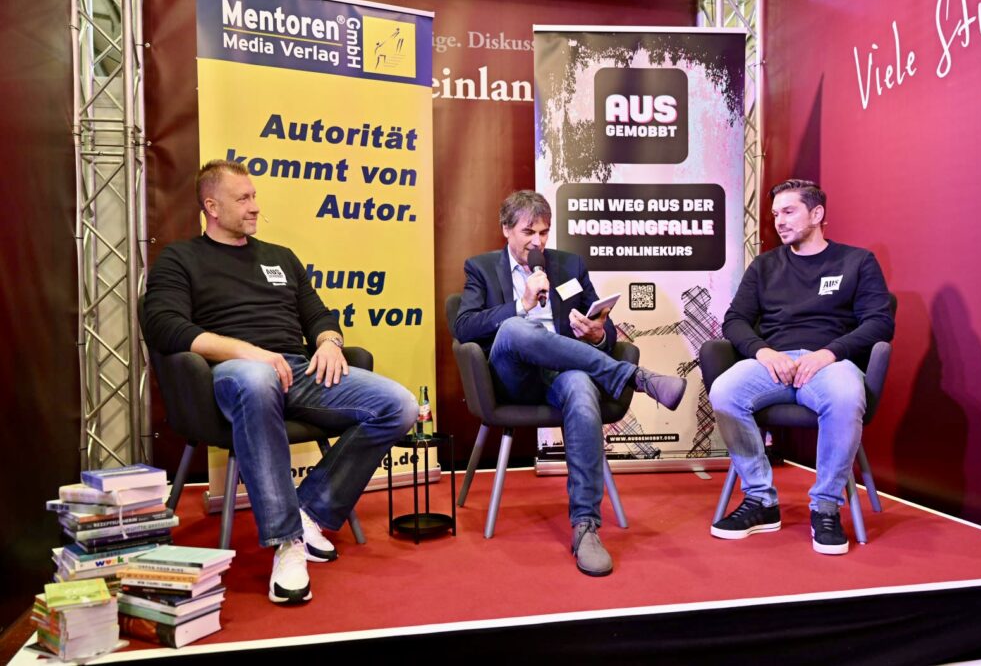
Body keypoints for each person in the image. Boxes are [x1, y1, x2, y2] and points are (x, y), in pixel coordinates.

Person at [142, 160, 417, 603]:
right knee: (256, 378)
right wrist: (246, 351)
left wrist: (328, 341)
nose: (255, 207)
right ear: (211, 206)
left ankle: (310, 510)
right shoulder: (180, 258)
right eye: (243, 198)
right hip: (234, 375)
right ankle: (286, 541)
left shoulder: (280, 257)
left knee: (399, 405)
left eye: (254, 196)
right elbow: (162, 326)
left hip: (298, 370)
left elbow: (319, 315)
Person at [454, 190, 686, 577]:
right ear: (506, 230)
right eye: (529, 231)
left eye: (544, 232)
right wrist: (521, 305)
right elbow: (462, 326)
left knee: (580, 387)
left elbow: (605, 327)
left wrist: (596, 334)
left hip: (563, 374)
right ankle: (633, 378)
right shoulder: (480, 268)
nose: (538, 241)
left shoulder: (569, 265)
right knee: (515, 328)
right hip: (511, 379)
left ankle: (586, 525)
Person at [708, 179, 894, 555]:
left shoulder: (857, 262)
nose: (779, 221)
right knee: (724, 392)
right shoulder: (764, 266)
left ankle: (825, 507)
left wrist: (829, 352)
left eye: (789, 211)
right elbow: (735, 321)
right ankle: (761, 499)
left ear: (817, 213)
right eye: (775, 213)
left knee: (845, 396)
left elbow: (880, 322)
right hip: (773, 363)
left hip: (830, 363)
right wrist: (762, 352)